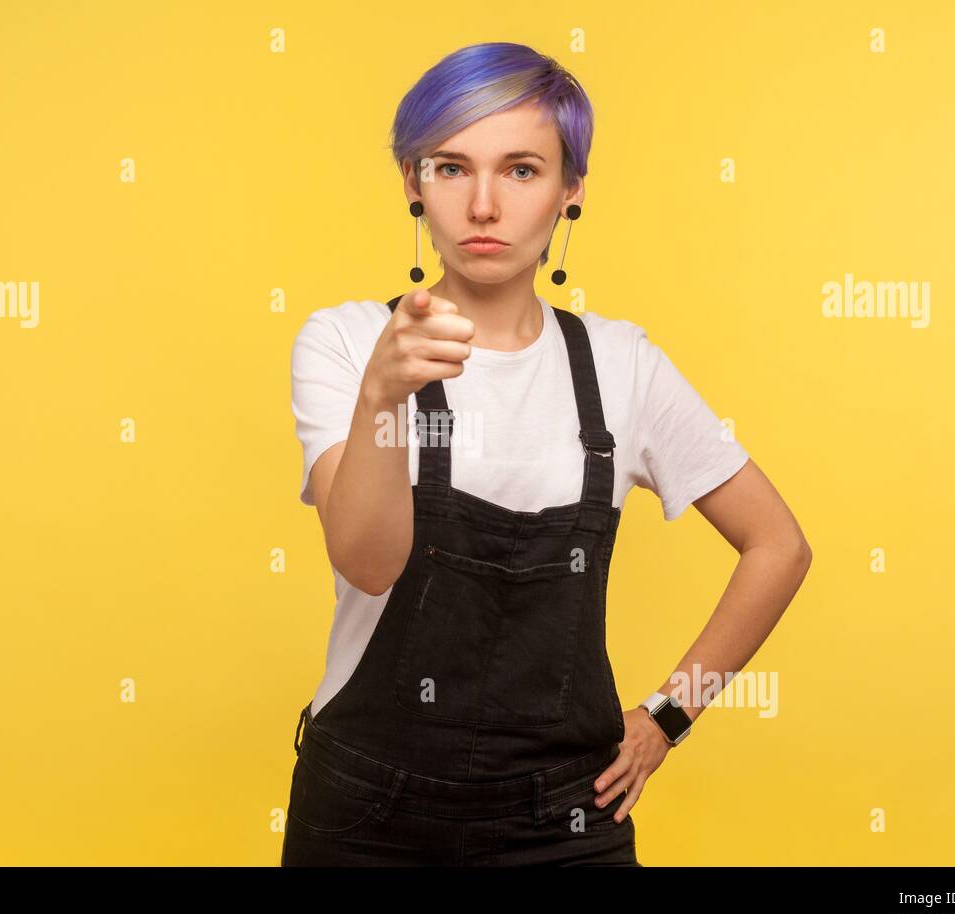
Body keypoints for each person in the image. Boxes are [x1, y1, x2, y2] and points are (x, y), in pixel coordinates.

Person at [282, 41, 811, 866]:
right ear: (414, 185)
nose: (484, 205)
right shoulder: (348, 343)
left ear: (571, 192)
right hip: (367, 813)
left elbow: (779, 547)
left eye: (521, 170)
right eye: (451, 168)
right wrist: (382, 399)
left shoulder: (623, 365)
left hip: (564, 821)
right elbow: (368, 563)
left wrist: (671, 715)